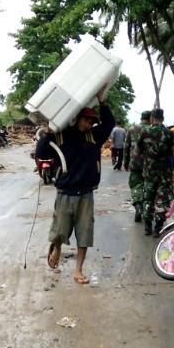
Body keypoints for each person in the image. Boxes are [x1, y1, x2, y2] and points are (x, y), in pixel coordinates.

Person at [47, 85, 114, 285]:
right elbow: (42, 151)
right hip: (65, 191)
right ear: (77, 119)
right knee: (60, 230)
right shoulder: (62, 135)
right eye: (86, 120)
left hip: (86, 193)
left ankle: (78, 270)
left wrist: (102, 101)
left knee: (84, 233)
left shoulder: (95, 136)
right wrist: (49, 132)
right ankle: (57, 247)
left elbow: (110, 122)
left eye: (92, 121)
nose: (89, 123)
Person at [138, 108, 174, 237]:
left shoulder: (144, 131)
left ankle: (147, 227)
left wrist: (144, 164)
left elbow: (138, 151)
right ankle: (158, 228)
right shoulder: (168, 133)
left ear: (152, 118)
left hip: (149, 173)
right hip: (164, 174)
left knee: (148, 199)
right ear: (163, 118)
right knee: (161, 200)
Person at [124, 111, 151, 222]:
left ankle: (138, 206)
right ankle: (146, 209)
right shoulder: (151, 130)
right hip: (149, 164)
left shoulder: (131, 129)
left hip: (135, 163)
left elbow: (126, 147)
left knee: (135, 186)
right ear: (150, 118)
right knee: (147, 187)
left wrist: (126, 163)